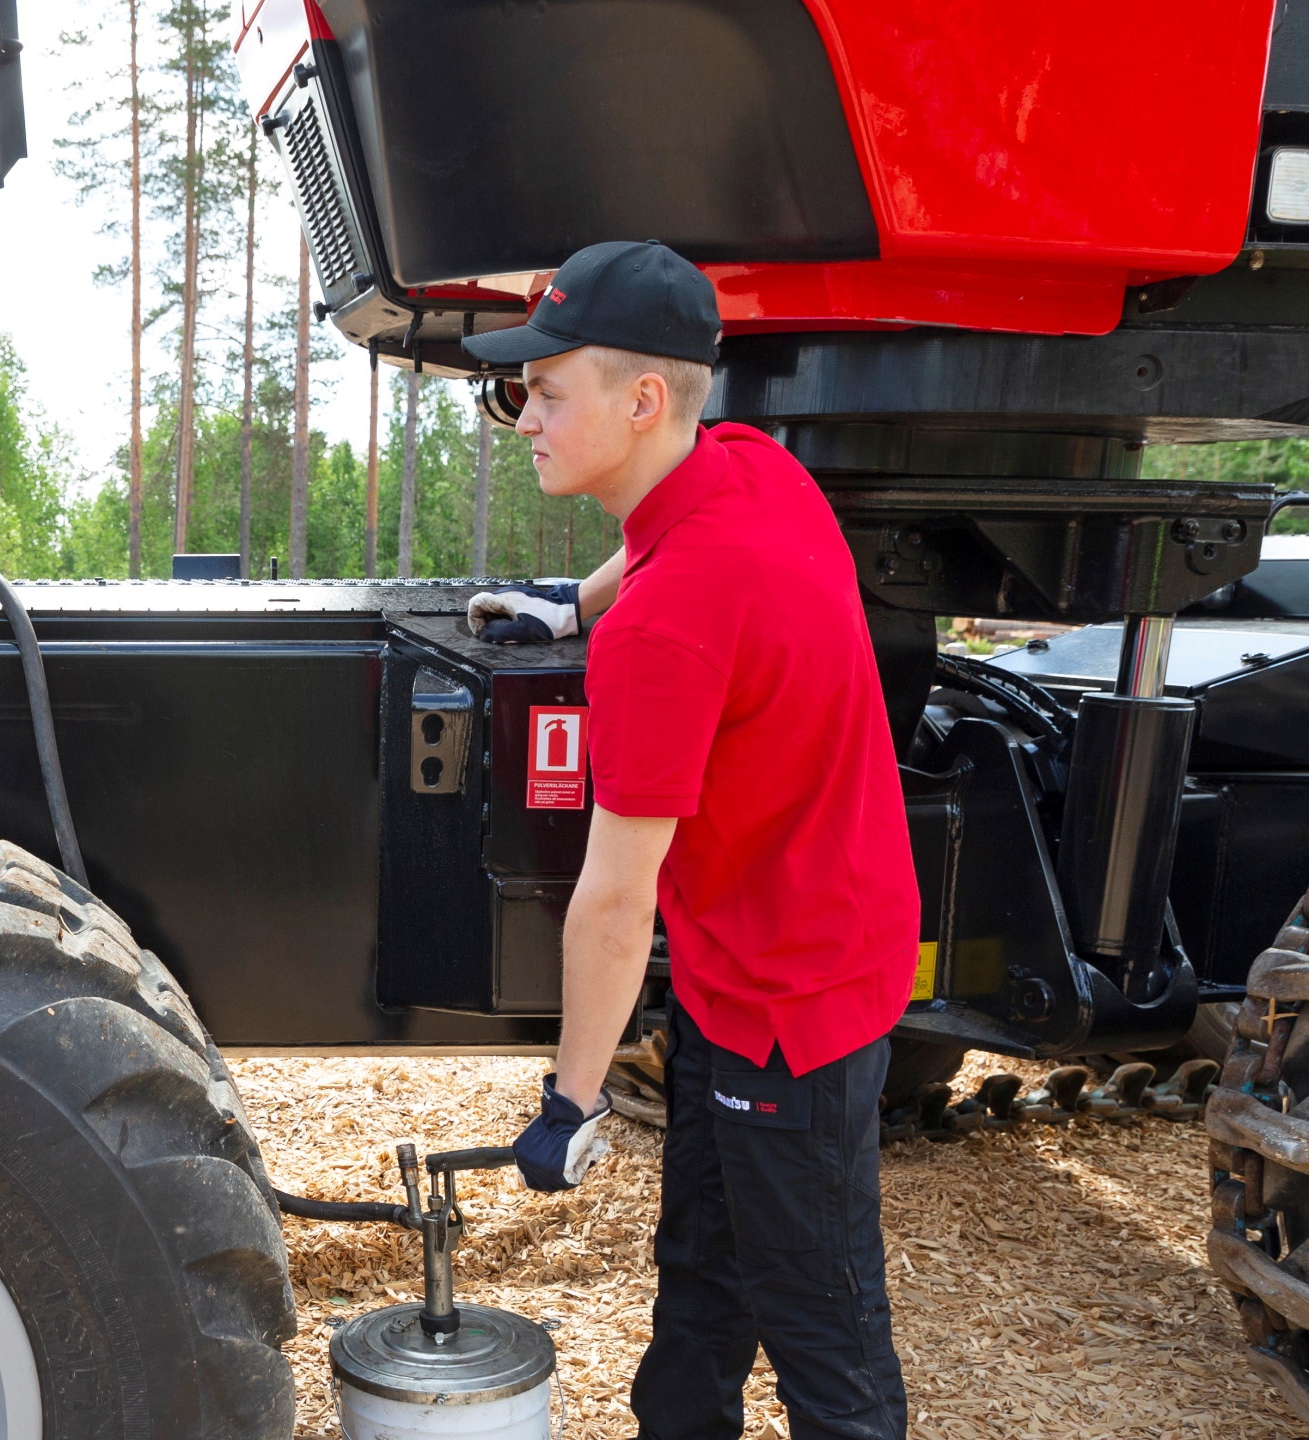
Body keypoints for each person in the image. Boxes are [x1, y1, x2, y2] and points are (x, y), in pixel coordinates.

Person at [462, 240, 917, 1440]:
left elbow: (614, 905)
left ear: (641, 400)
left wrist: (569, 1105)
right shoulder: (752, 468)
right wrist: (576, 601)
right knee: (701, 1289)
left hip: (791, 1001)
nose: (525, 420)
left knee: (824, 1335)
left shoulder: (663, 635)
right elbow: (658, 537)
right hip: (768, 961)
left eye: (547, 393)